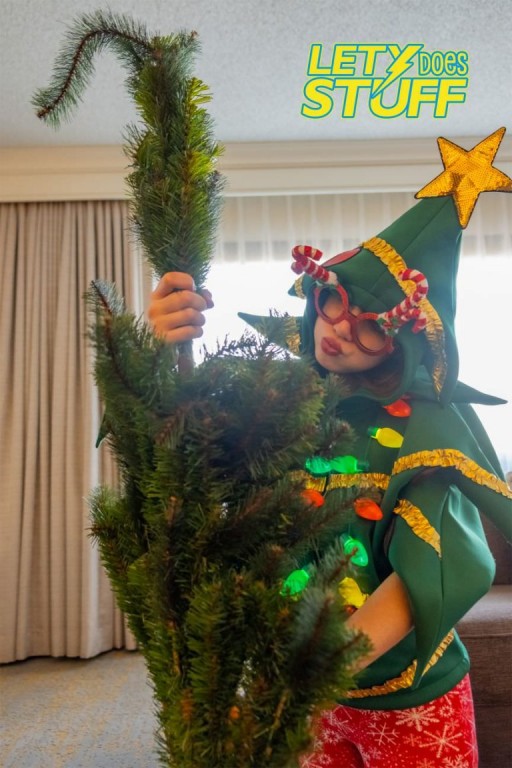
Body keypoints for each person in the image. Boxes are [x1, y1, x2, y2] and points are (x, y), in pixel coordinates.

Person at [147, 131, 512, 768]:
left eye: (374, 328)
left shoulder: (428, 436)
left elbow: (440, 563)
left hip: (410, 699)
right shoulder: (281, 405)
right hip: (311, 698)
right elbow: (191, 456)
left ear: (405, 345)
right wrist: (166, 347)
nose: (340, 329)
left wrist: (312, 673)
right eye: (336, 301)